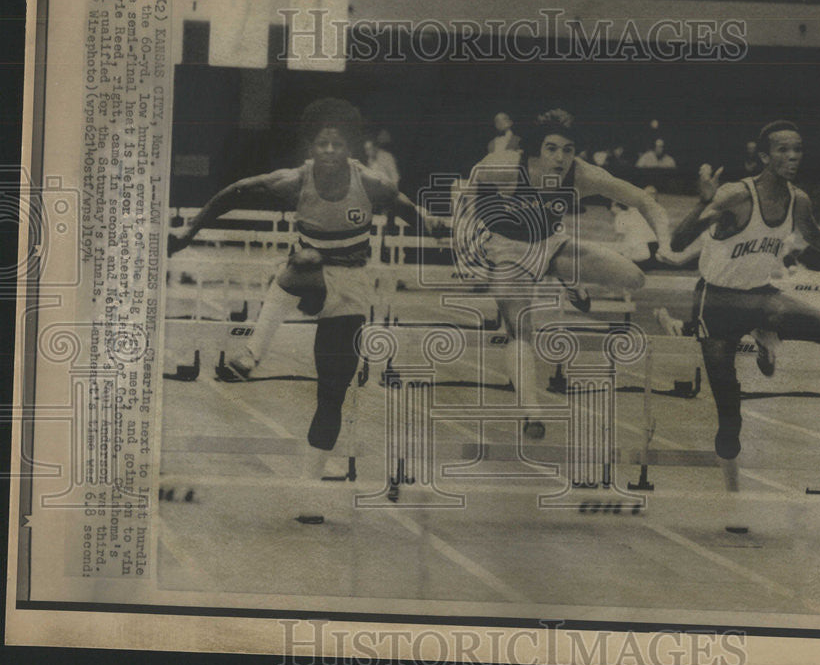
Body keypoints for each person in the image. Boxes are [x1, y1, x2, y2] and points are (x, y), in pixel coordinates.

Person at [169, 98, 446, 480]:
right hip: (307, 280)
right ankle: (251, 353)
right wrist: (189, 232)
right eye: (322, 144)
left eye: (338, 145)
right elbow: (235, 192)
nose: (330, 151)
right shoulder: (295, 180)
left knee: (332, 394)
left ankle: (308, 484)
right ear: (310, 148)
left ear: (351, 150)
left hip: (351, 291)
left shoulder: (368, 181)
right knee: (304, 260)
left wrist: (431, 223)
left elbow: (406, 208)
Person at [669, 120, 820, 527]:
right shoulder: (736, 195)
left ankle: (767, 330)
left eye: (798, 151)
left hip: (761, 296)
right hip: (716, 302)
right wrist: (702, 204)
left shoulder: (797, 200)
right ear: (764, 157)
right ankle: (733, 502)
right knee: (729, 420)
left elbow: (815, 236)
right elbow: (678, 243)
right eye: (783, 151)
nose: (792, 158)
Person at [457, 109, 708, 438]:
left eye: (568, 149)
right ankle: (531, 411)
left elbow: (646, 202)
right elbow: (469, 187)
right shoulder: (504, 166)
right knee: (520, 327)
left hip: (551, 244)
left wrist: (664, 242)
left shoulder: (583, 175)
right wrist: (468, 244)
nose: (560, 158)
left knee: (635, 278)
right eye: (551, 148)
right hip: (508, 250)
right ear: (536, 148)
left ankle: (568, 278)